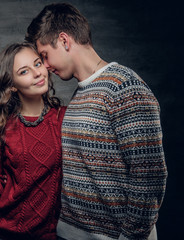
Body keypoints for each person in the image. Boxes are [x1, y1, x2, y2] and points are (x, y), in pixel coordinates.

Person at [25, 3, 168, 240]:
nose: (46, 66)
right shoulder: (81, 92)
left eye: (44, 56)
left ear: (64, 40)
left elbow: (150, 177)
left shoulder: (125, 87)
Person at [0, 42, 66, 240]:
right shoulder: (0, 127)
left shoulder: (64, 119)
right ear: (12, 85)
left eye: (38, 64)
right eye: (24, 71)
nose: (37, 73)